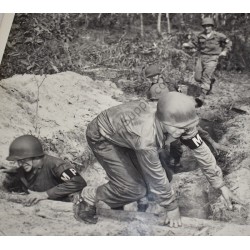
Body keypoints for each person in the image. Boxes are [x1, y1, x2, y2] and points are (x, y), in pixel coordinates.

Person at [74, 91, 243, 227]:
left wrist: (220, 185)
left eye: (185, 129)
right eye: (177, 129)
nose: (182, 133)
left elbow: (201, 150)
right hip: (103, 136)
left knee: (161, 177)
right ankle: (88, 197)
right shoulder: (146, 137)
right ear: (162, 121)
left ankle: (128, 200)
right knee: (135, 188)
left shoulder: (181, 120)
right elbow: (154, 174)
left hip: (126, 131)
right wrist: (172, 207)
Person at [1, 135, 87, 206]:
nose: (20, 164)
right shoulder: (26, 168)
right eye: (18, 161)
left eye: (23, 160)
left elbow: (78, 182)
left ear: (34, 156)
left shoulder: (56, 165)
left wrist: (45, 194)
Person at [182, 17, 232, 102]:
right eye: (205, 26)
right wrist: (187, 44)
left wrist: (225, 51)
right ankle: (210, 81)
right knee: (197, 78)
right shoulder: (200, 35)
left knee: (205, 76)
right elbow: (194, 43)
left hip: (213, 58)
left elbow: (229, 42)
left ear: (212, 26)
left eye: (209, 26)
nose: (206, 28)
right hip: (202, 57)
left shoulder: (219, 35)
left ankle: (202, 96)